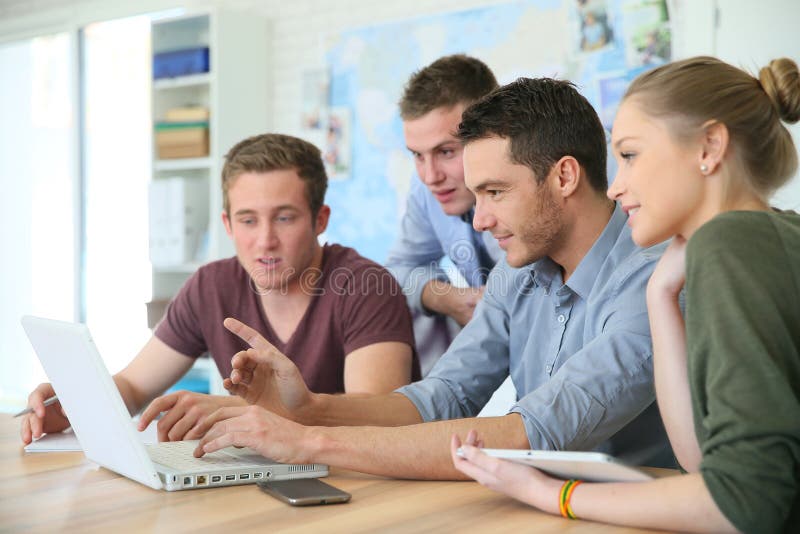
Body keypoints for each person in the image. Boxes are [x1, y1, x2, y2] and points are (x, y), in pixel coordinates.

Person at [187, 77, 673, 479]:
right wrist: (312, 407)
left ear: (564, 177)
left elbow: (530, 434)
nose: (479, 221)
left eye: (495, 192)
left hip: (637, 515)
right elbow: (442, 397)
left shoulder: (649, 278)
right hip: (543, 504)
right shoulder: (517, 271)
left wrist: (310, 441)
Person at [451, 56, 800, 533]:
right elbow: (702, 465)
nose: (615, 185)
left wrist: (552, 494)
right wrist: (660, 294)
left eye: (631, 155)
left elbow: (744, 502)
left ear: (710, 146)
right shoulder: (764, 237)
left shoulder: (731, 245)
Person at [20, 133, 419, 445]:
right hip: (257, 478)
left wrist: (232, 411)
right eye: (248, 221)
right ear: (227, 225)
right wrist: (74, 404)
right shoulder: (210, 286)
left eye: (284, 218)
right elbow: (132, 386)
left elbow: (378, 414)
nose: (265, 240)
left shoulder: (368, 286)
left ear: (320, 219)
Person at [385, 55, 503, 373]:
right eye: (417, 156)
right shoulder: (427, 188)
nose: (429, 176)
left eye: (446, 151)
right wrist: (446, 298)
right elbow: (398, 268)